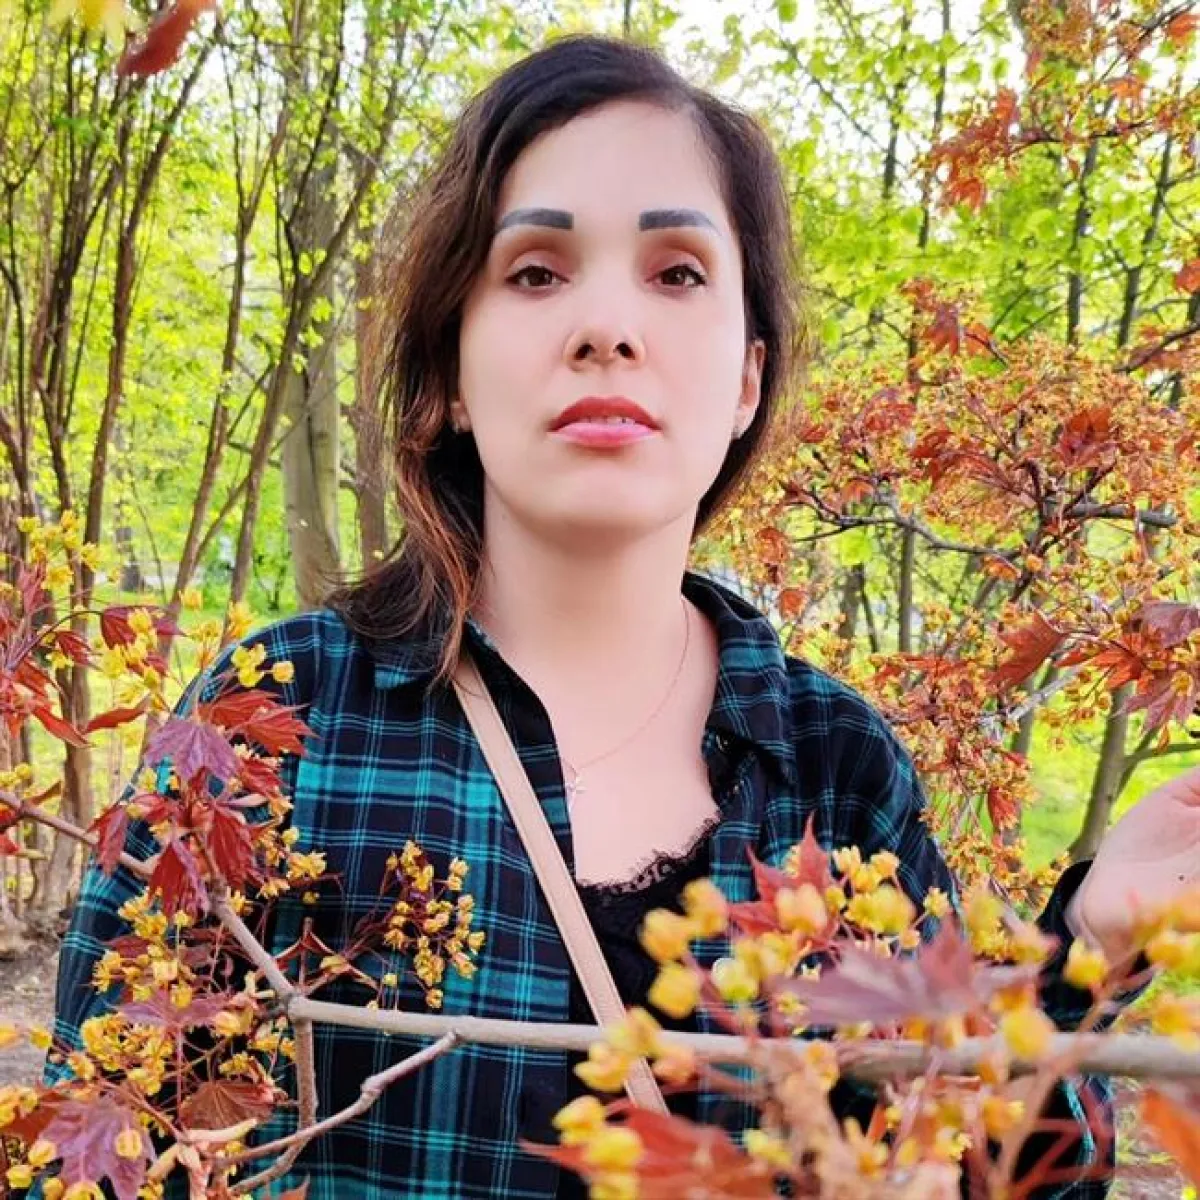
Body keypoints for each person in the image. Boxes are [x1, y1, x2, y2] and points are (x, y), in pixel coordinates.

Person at [50, 33, 1199, 1200]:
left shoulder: (837, 770)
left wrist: (1094, 954)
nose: (607, 326)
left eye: (678, 272)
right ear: (449, 373)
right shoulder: (281, 725)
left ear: (747, 379)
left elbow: (981, 1167)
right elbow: (92, 1153)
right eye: (535, 272)